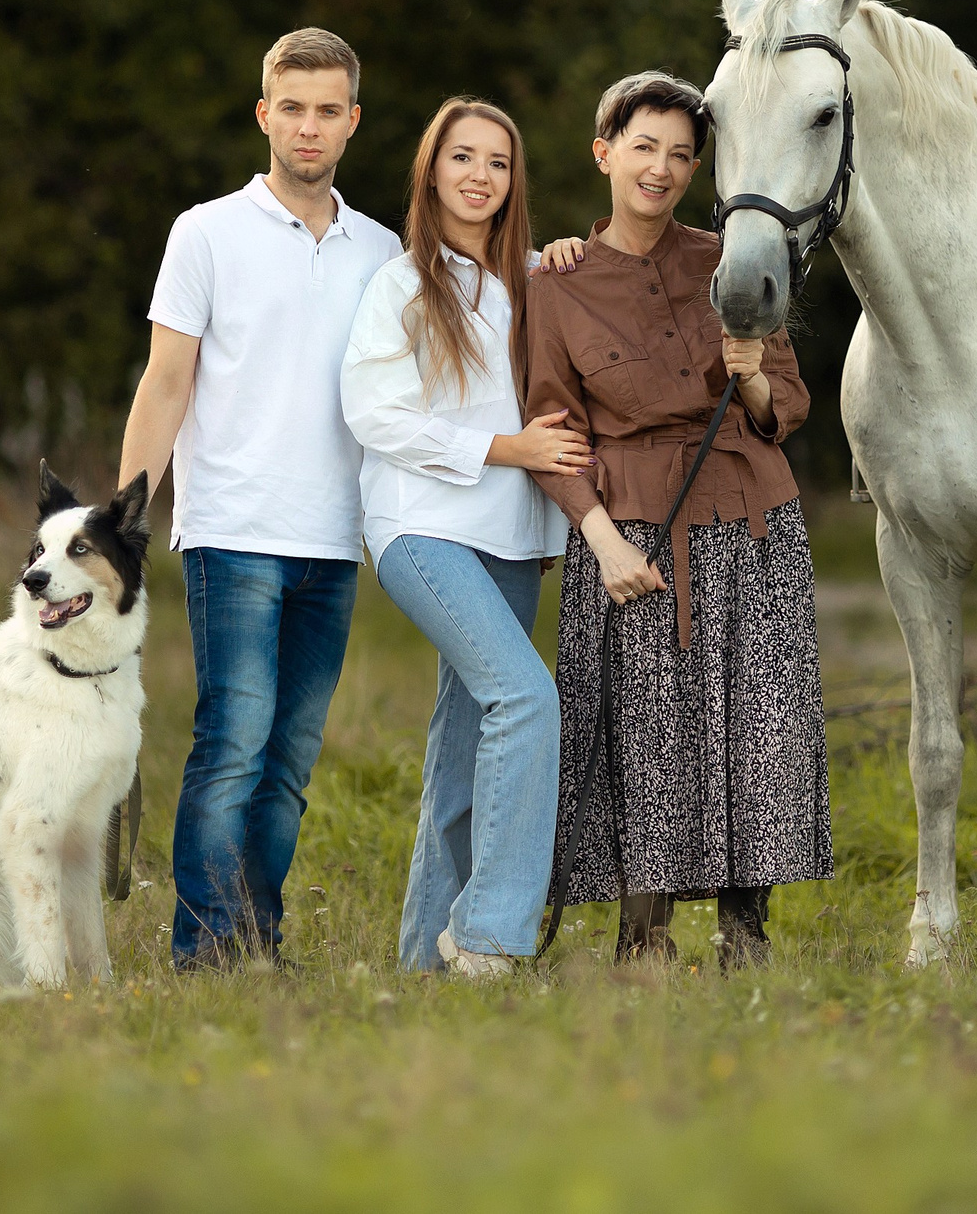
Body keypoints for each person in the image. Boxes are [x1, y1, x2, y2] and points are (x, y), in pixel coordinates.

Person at [520, 71, 833, 968]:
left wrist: (752, 373)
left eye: (682, 154)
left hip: (754, 518)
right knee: (646, 738)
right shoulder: (557, 285)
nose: (661, 169)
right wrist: (601, 536)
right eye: (644, 147)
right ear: (604, 151)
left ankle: (748, 938)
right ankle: (642, 943)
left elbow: (790, 403)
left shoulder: (731, 259)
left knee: (760, 725)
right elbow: (555, 430)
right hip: (635, 529)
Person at [118, 27, 401, 971]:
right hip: (233, 528)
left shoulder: (382, 249)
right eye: (293, 107)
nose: (310, 127)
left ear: (353, 121)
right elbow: (165, 384)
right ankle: (203, 953)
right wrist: (123, 521)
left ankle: (257, 942)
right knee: (232, 745)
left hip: (334, 537)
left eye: (329, 110)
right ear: (263, 114)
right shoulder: (206, 231)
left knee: (287, 764)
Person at [340, 99, 587, 977]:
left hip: (512, 541)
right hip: (421, 529)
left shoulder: (535, 280)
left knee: (462, 744)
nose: (480, 175)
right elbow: (374, 413)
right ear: (432, 170)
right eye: (462, 157)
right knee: (527, 699)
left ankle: (422, 961)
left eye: (499, 161)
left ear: (515, 178)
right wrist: (503, 448)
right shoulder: (403, 283)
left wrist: (552, 513)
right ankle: (487, 935)